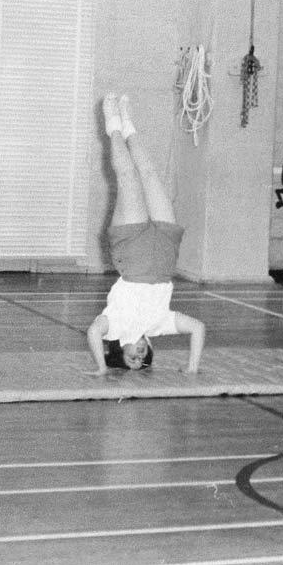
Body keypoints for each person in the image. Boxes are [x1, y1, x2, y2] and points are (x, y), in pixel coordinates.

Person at [85, 94, 206, 375]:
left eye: (132, 360)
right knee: (151, 174)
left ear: (119, 351)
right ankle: (128, 125)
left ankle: (113, 124)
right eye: (144, 359)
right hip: (165, 250)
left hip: (132, 251)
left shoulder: (113, 326)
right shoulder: (159, 325)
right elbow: (199, 328)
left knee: (127, 176)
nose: (139, 357)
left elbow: (93, 332)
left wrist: (103, 369)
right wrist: (192, 368)